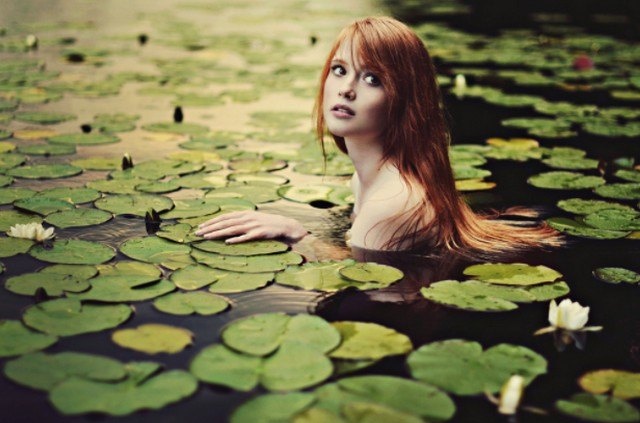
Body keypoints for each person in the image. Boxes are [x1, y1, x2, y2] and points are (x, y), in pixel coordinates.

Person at [196, 16, 562, 259]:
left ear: (405, 99)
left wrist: (295, 233)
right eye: (339, 70)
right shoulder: (365, 181)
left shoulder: (393, 203)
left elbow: (357, 277)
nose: (346, 90)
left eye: (373, 79)